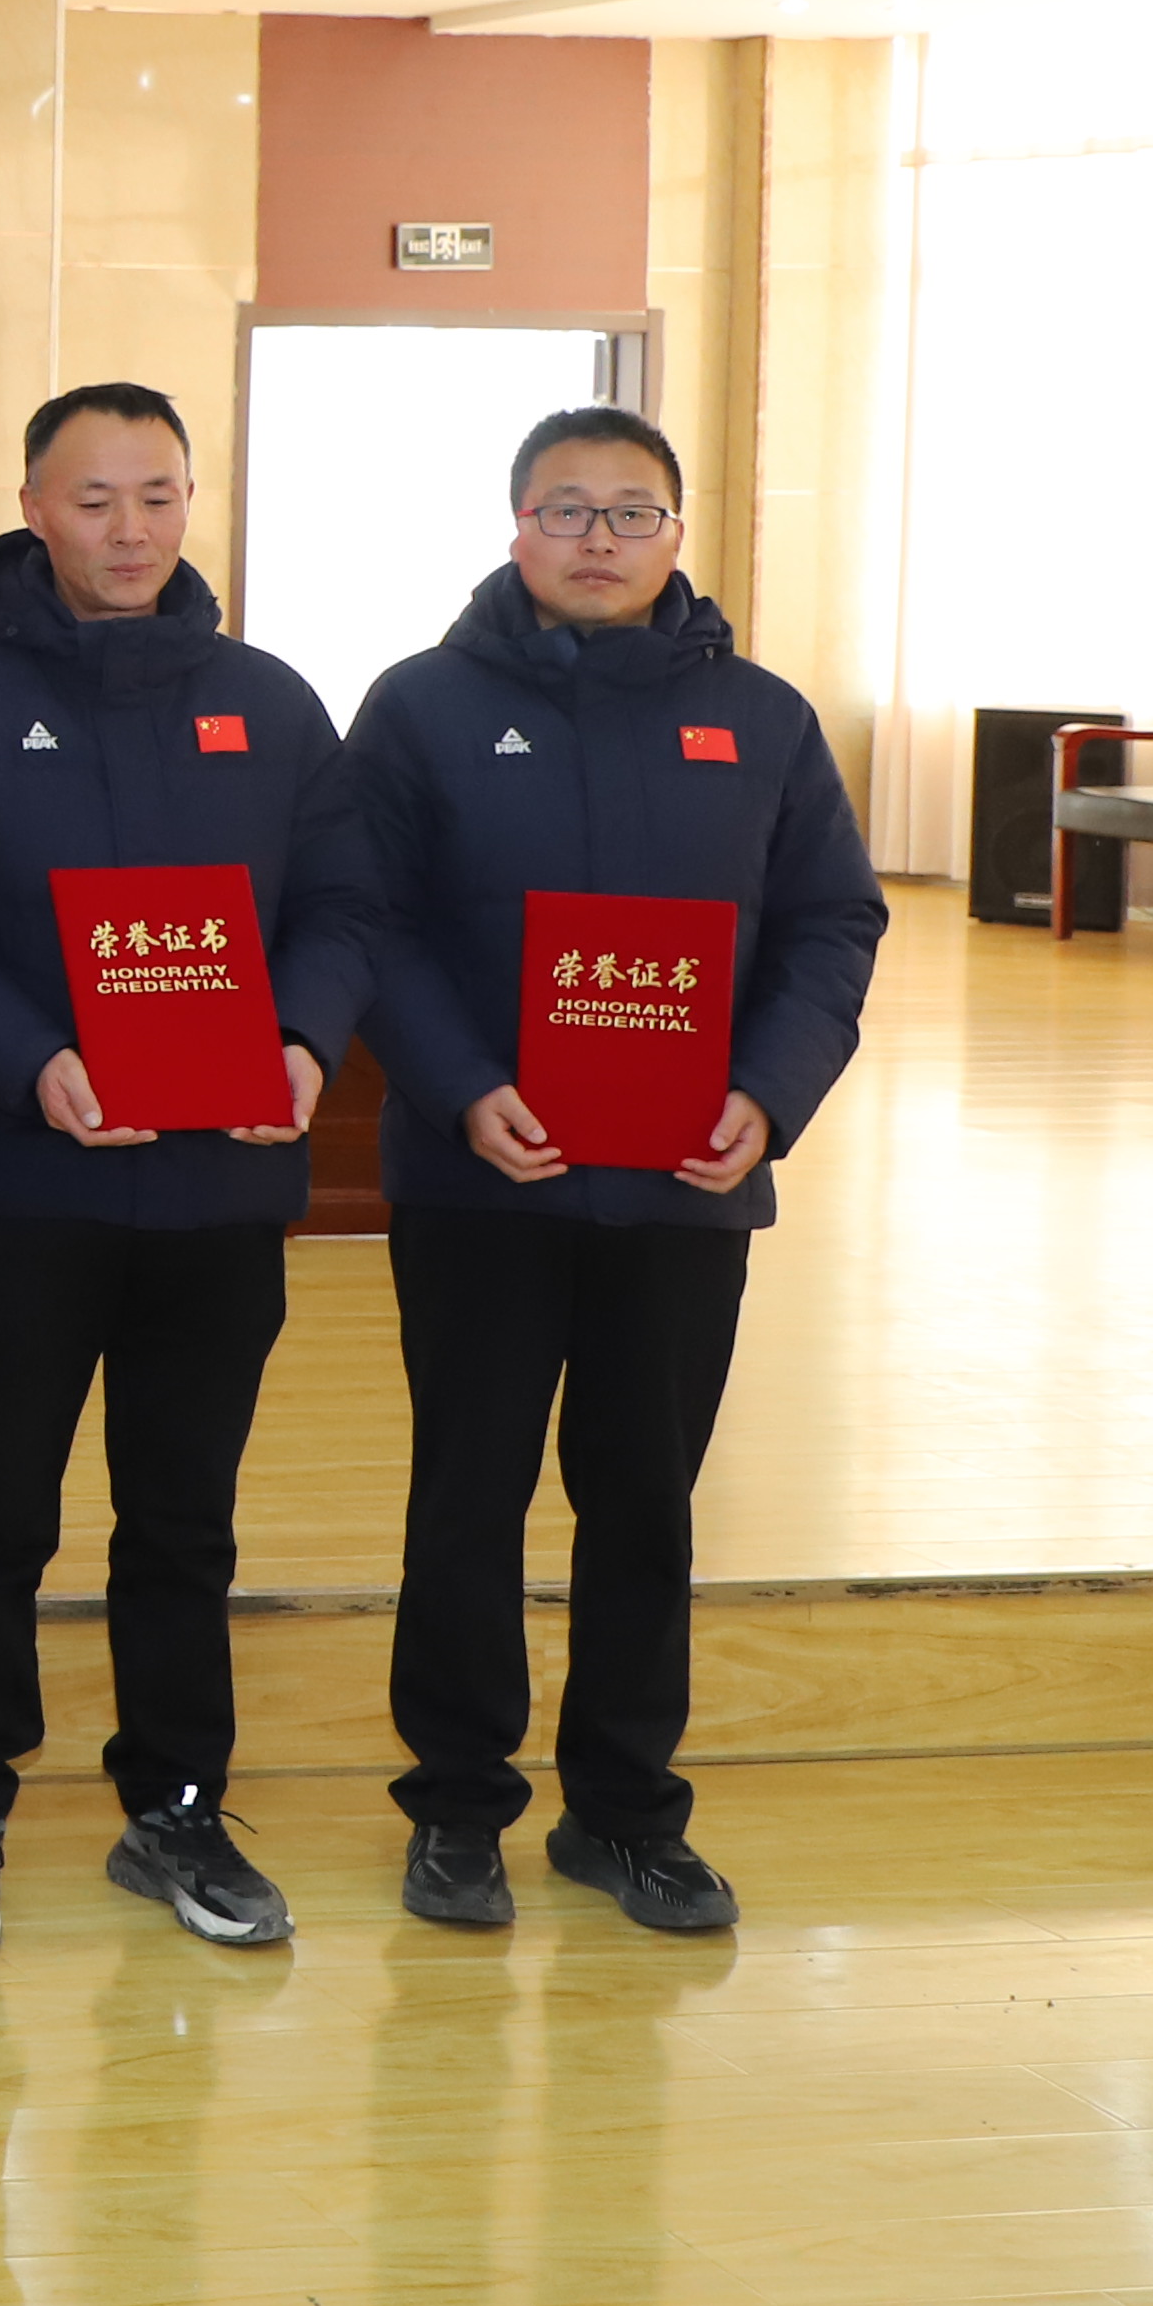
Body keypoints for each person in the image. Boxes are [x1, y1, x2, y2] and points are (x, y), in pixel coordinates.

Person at [0, 382, 375, 1957]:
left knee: (185, 1517)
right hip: (28, 1181)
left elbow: (342, 908)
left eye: (159, 495)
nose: (130, 530)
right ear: (32, 510)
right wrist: (33, 1064)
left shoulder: (270, 702)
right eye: (94, 500)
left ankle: (180, 1809)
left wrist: (304, 1038)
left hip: (225, 1187)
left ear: (192, 503)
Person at [345, 405, 883, 1936]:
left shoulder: (762, 719)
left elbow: (833, 923)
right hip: (483, 1182)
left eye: (631, 512)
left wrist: (768, 1096)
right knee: (469, 1494)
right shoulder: (421, 706)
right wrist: (464, 1091)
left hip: (682, 1188)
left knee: (644, 1500)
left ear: (677, 533)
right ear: (516, 527)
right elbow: (369, 918)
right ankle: (457, 1808)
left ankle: (627, 1814)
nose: (599, 539)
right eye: (567, 510)